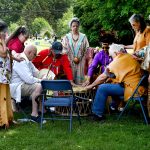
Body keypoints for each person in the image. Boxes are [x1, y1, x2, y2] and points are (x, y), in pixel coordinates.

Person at [84, 44, 146, 121]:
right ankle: (113, 107)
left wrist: (90, 86)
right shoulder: (128, 57)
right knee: (111, 84)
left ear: (116, 53)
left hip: (132, 89)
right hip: (137, 87)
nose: (112, 57)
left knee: (102, 88)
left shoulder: (119, 60)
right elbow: (114, 74)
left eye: (112, 55)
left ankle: (97, 114)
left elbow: (102, 77)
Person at [10, 45, 45, 123]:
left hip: (23, 84)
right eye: (35, 54)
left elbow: (36, 72)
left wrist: (44, 75)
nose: (35, 56)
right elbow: (29, 79)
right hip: (17, 86)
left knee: (42, 84)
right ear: (29, 52)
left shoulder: (27, 60)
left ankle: (41, 110)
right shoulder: (21, 60)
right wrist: (41, 80)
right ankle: (34, 115)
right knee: (39, 86)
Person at [62, 17, 89, 84]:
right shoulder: (67, 37)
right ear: (70, 27)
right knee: (71, 79)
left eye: (77, 26)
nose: (75, 27)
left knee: (80, 81)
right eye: (73, 26)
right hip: (70, 60)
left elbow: (87, 49)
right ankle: (70, 92)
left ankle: (80, 93)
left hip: (81, 62)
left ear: (78, 27)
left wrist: (80, 58)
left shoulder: (83, 37)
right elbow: (63, 49)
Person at [0, 19, 13, 128]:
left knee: (6, 96)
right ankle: (2, 121)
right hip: (0, 76)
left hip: (4, 75)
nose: (5, 33)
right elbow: (3, 54)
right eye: (3, 31)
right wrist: (3, 40)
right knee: (2, 97)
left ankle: (8, 117)